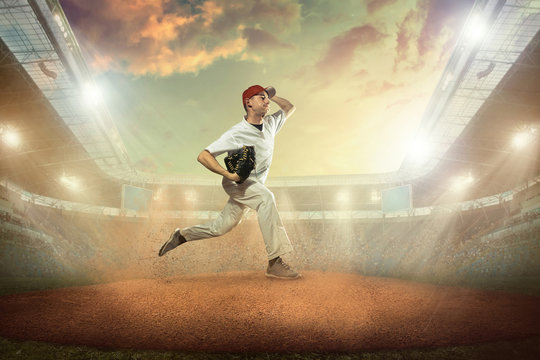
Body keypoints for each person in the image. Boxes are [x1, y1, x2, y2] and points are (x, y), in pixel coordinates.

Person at [158, 85, 301, 280]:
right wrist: (229, 175)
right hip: (238, 183)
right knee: (266, 199)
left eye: (266, 98)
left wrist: (271, 96)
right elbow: (203, 156)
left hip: (254, 185)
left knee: (221, 227)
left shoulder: (270, 124)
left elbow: (289, 107)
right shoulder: (236, 132)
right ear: (248, 103)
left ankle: (181, 235)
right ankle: (274, 262)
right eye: (261, 98)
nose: (266, 102)